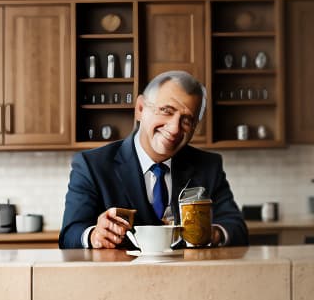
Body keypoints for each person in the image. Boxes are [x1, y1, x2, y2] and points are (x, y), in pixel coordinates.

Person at [60, 70, 248, 249]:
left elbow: (236, 228)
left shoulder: (208, 166)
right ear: (140, 108)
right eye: (166, 110)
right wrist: (94, 235)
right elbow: (70, 235)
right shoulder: (91, 165)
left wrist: (211, 234)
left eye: (187, 120)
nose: (174, 129)